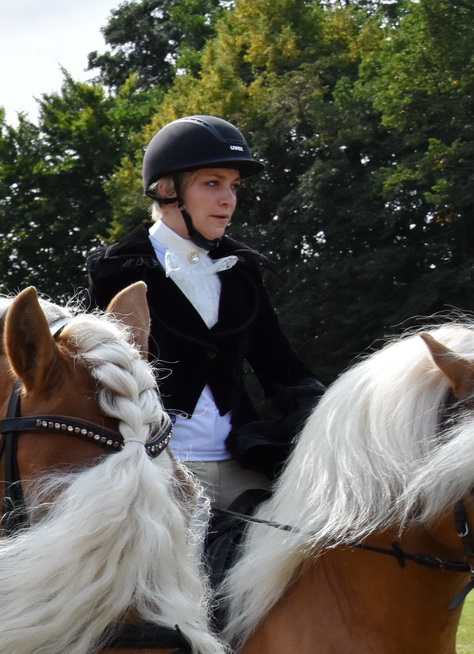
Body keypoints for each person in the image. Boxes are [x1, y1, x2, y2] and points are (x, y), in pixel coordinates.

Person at [88, 115, 323, 507]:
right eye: (213, 183)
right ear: (167, 190)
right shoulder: (115, 271)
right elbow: (99, 382)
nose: (228, 199)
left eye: (233, 186)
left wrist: (332, 413)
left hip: (243, 464)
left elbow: (283, 369)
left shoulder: (242, 271)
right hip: (158, 468)